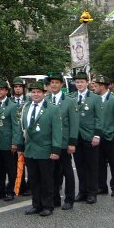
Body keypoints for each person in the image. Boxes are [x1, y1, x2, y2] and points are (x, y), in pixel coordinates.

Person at [15, 81, 62, 216]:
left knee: (46, 179)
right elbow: (21, 128)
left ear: (44, 93)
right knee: (34, 179)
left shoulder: (52, 108)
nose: (35, 94)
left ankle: (48, 205)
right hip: (30, 149)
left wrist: (55, 150)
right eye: (33, 92)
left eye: (38, 92)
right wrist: (20, 146)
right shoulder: (26, 107)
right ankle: (36, 204)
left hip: (45, 149)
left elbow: (57, 131)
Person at [47, 73, 79, 210]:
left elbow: (74, 123)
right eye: (52, 82)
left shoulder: (69, 101)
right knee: (52, 172)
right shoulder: (46, 99)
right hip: (50, 143)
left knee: (67, 171)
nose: (54, 85)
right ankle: (55, 199)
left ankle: (69, 199)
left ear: (61, 85)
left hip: (65, 142)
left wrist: (72, 143)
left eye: (56, 82)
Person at [71, 72, 102, 205]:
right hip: (76, 136)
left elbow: (99, 118)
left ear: (87, 83)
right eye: (77, 82)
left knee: (92, 166)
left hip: (90, 136)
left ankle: (92, 192)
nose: (79, 84)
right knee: (79, 165)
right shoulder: (71, 97)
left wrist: (97, 135)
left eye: (82, 82)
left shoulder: (95, 98)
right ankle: (82, 191)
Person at [0, 80, 20, 202]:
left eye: (2, 89)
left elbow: (16, 125)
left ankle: (10, 191)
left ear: (6, 91)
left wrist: (15, 142)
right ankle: (0, 190)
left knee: (11, 168)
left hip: (7, 142)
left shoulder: (12, 106)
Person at [94, 75, 114, 197]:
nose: (94, 88)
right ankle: (102, 186)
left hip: (110, 137)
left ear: (102, 86)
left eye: (96, 86)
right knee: (99, 164)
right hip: (98, 137)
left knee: (113, 163)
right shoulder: (95, 99)